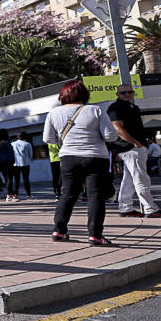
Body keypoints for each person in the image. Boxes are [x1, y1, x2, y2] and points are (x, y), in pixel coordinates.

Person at [43, 79, 119, 246]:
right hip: (95, 157)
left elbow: (47, 138)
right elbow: (110, 136)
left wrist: (65, 141)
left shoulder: (53, 113)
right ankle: (95, 235)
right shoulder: (95, 110)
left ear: (63, 95)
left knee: (68, 194)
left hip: (68, 157)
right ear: (84, 94)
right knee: (95, 195)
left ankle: (59, 230)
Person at [108, 84, 161, 219]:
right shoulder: (116, 108)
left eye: (130, 92)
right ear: (117, 95)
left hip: (134, 147)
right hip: (130, 148)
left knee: (130, 180)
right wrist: (135, 143)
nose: (127, 95)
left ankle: (125, 207)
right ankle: (150, 208)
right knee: (141, 178)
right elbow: (117, 128)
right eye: (123, 93)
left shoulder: (132, 107)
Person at [11, 131, 34, 200]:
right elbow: (31, 155)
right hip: (25, 164)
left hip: (15, 164)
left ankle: (16, 195)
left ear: (17, 137)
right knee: (26, 180)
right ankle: (28, 195)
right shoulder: (27, 144)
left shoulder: (13, 144)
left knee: (16, 180)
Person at [0, 128, 16, 201]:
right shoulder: (7, 142)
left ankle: (12, 193)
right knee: (9, 179)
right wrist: (13, 161)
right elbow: (11, 153)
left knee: (6, 178)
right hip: (8, 162)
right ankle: (9, 195)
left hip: (0, 162)